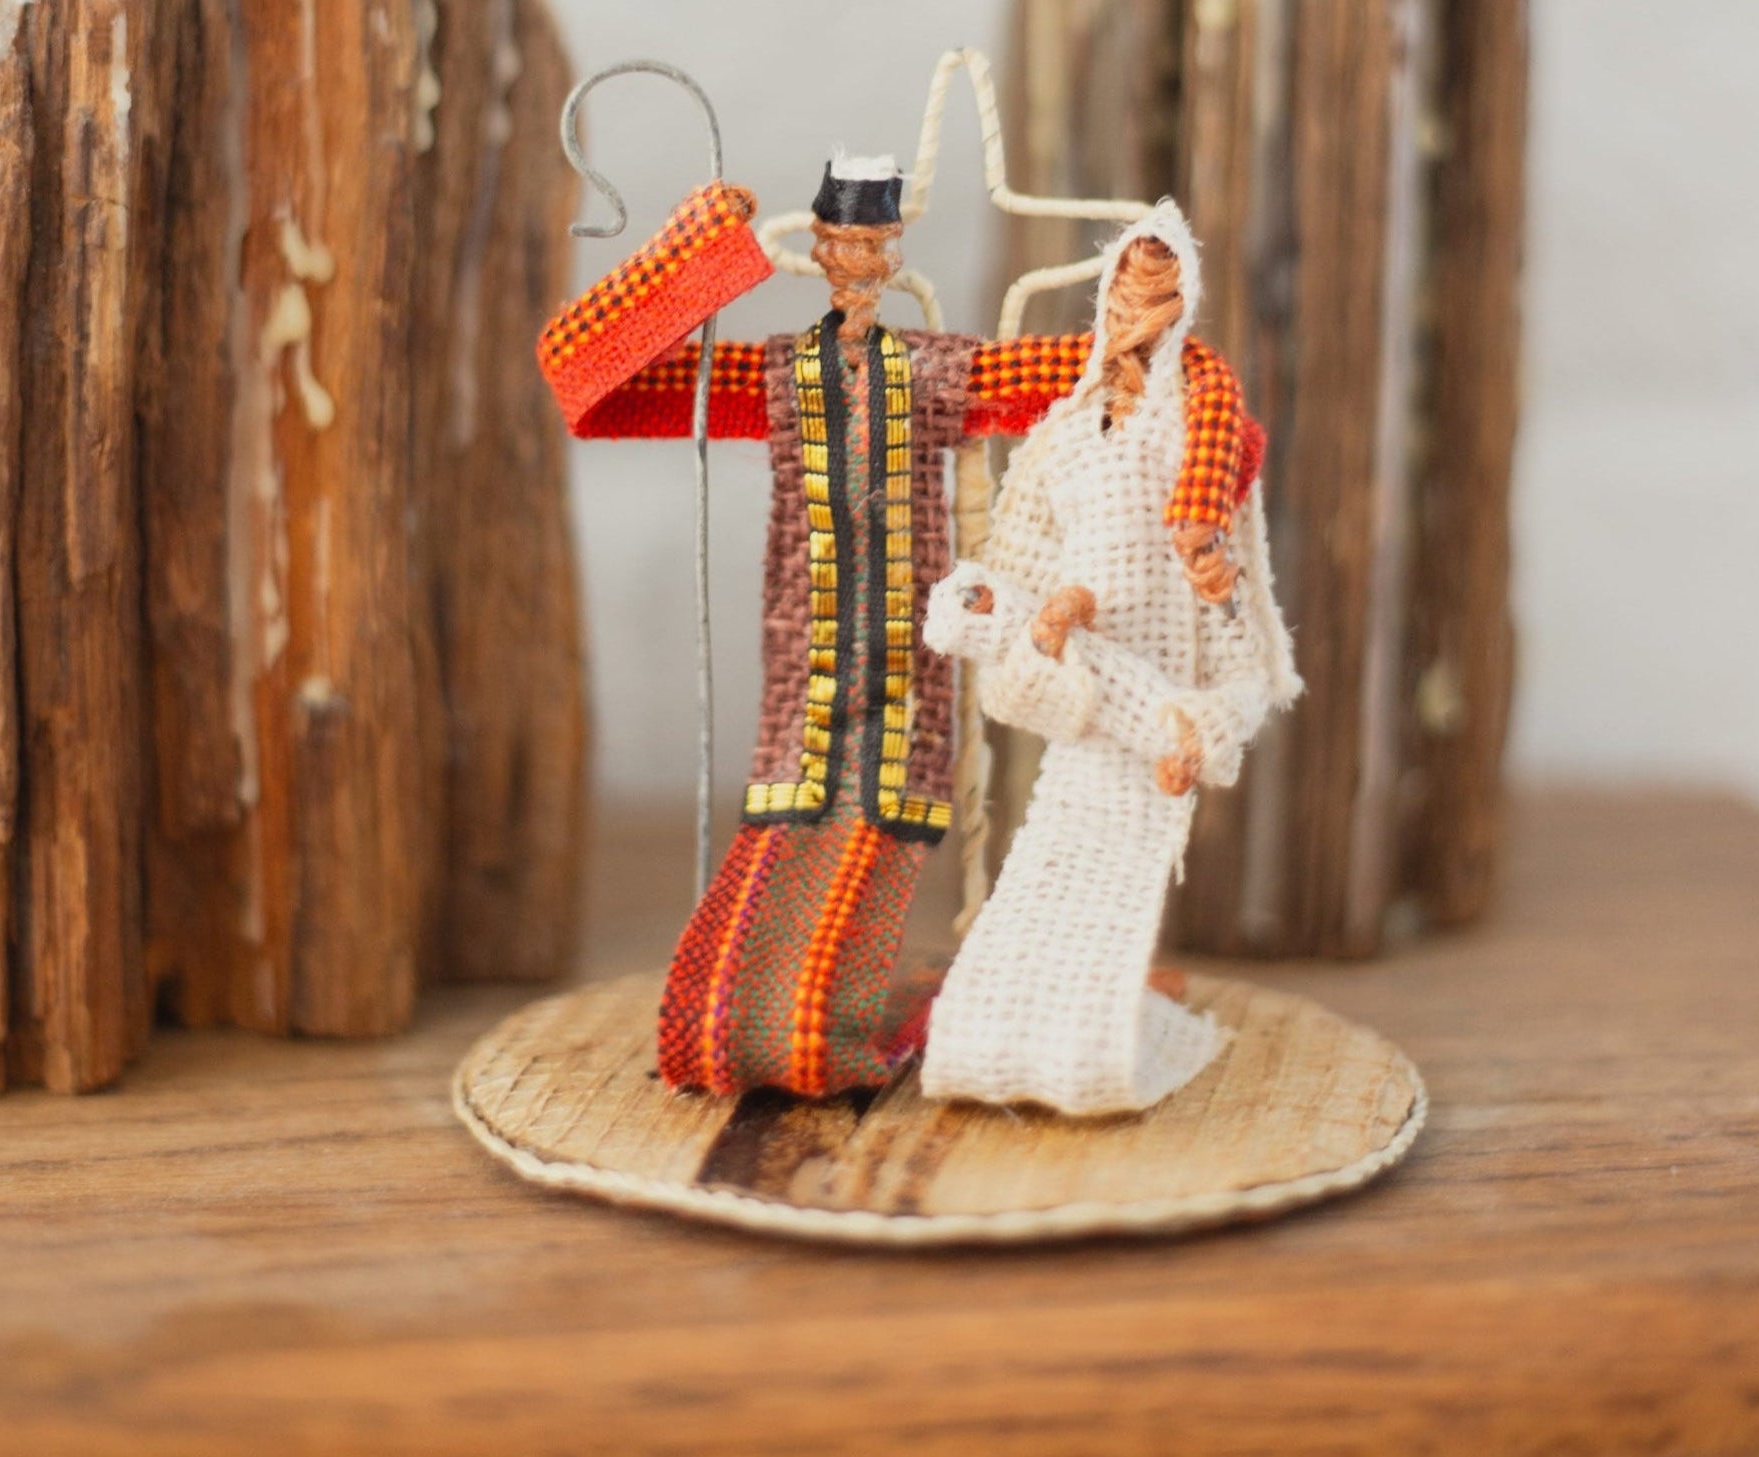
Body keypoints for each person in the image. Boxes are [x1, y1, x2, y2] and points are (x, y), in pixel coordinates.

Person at [539, 163, 1269, 1099]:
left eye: (873, 248)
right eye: (841, 247)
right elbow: (584, 385)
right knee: (726, 985)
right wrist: (701, 255)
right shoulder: (778, 376)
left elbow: (1173, 375)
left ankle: (851, 1041)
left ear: (889, 255)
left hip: (899, 723)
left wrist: (1203, 498)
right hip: (795, 726)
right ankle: (766, 1043)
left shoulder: (932, 373)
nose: (856, 265)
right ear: (820, 250)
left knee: (809, 979)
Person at [921, 200, 1300, 1116]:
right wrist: (1038, 633)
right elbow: (1013, 675)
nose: (1135, 324)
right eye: (1123, 301)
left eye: (1157, 303)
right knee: (1023, 935)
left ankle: (1088, 1054)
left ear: (1182, 307)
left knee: (1095, 960)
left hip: (1155, 754)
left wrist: (1199, 727)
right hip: (1084, 753)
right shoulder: (1057, 442)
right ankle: (995, 1046)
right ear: (1103, 304)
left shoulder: (1206, 442)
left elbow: (1246, 664)